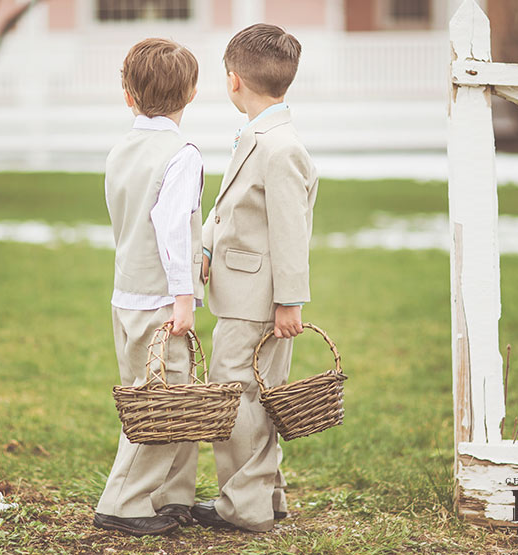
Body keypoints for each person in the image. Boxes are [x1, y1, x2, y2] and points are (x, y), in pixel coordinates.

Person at [193, 23, 319, 533]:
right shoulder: (260, 135)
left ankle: (242, 508)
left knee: (238, 396)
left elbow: (291, 232)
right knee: (257, 396)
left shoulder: (279, 147)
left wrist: (289, 301)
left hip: (258, 300)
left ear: (233, 80)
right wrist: (205, 242)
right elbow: (233, 210)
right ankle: (266, 499)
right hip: (244, 292)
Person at [93, 38, 205, 537]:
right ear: (193, 93)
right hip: (162, 300)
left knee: (169, 398)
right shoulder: (179, 154)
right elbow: (173, 228)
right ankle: (125, 501)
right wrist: (184, 296)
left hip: (126, 296)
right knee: (160, 405)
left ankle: (170, 496)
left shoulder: (121, 150)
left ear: (127, 95)